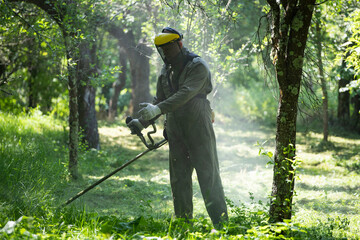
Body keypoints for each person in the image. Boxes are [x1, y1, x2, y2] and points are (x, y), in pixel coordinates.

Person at [131, 27, 228, 227]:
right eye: (161, 49)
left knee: (208, 177)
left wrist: (157, 109)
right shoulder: (165, 71)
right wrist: (141, 122)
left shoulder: (197, 66)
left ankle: (222, 226)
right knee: (179, 181)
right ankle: (184, 227)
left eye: (168, 47)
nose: (165, 52)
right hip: (176, 129)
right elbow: (160, 100)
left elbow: (184, 94)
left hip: (198, 126)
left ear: (179, 44)